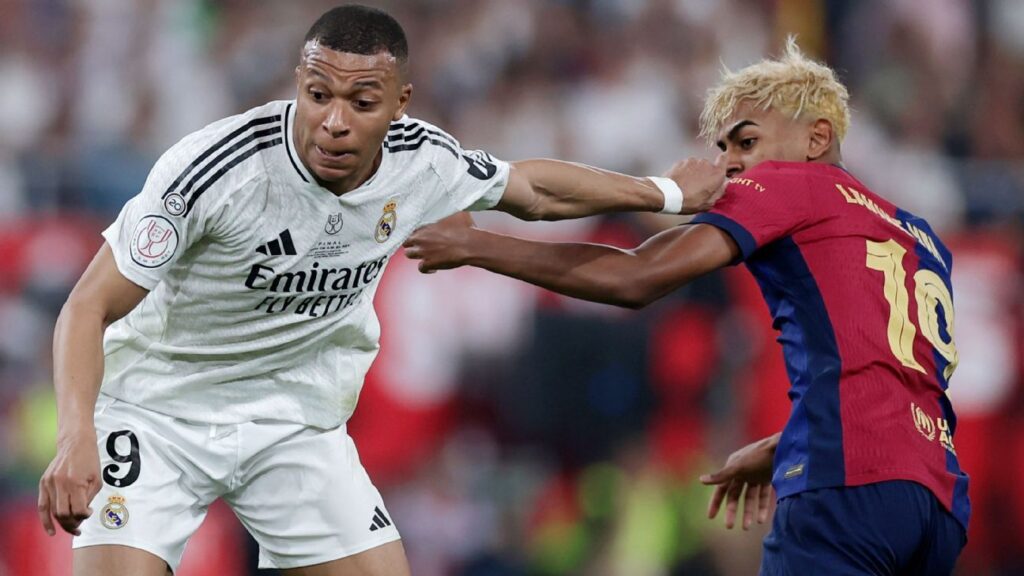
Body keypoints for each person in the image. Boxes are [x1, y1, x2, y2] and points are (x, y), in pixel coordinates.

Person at [36, 5, 728, 576]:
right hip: (159, 414)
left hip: (293, 423)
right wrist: (74, 437)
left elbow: (533, 190)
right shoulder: (215, 170)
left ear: (399, 104)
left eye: (361, 102)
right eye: (318, 95)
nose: (334, 121)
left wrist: (664, 193)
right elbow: (87, 305)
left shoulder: (421, 161)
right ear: (299, 85)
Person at [404, 39, 969, 575]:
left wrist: (477, 246)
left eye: (746, 143)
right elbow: (894, 380)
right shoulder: (916, 234)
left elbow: (635, 277)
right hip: (937, 501)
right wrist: (786, 444)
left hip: (848, 484)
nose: (730, 165)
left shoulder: (792, 184)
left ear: (816, 138)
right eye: (724, 149)